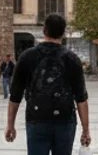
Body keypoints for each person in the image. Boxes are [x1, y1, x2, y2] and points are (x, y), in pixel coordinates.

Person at [6, 14, 91, 155]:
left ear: (44, 30)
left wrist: (10, 125)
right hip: (65, 121)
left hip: (36, 119)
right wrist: (85, 130)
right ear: (63, 33)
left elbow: (15, 96)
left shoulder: (27, 57)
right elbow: (81, 98)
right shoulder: (72, 59)